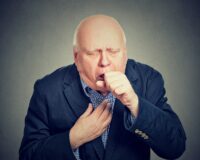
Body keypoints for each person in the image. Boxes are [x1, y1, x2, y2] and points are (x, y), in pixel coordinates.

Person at [19, 15, 186, 160]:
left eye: (113, 51)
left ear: (125, 55)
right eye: (93, 53)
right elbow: (28, 156)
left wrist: (135, 104)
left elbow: (175, 147)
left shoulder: (148, 80)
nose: (104, 62)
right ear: (76, 58)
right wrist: (73, 139)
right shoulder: (47, 90)